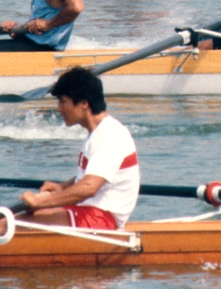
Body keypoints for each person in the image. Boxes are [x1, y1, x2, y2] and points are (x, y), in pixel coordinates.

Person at [19, 67, 139, 230]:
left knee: (8, 225)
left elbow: (89, 187)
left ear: (84, 103)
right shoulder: (98, 132)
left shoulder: (110, 135)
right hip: (88, 212)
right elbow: (90, 179)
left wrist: (40, 202)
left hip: (101, 219)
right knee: (14, 219)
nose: (58, 109)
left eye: (62, 101)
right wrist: (63, 187)